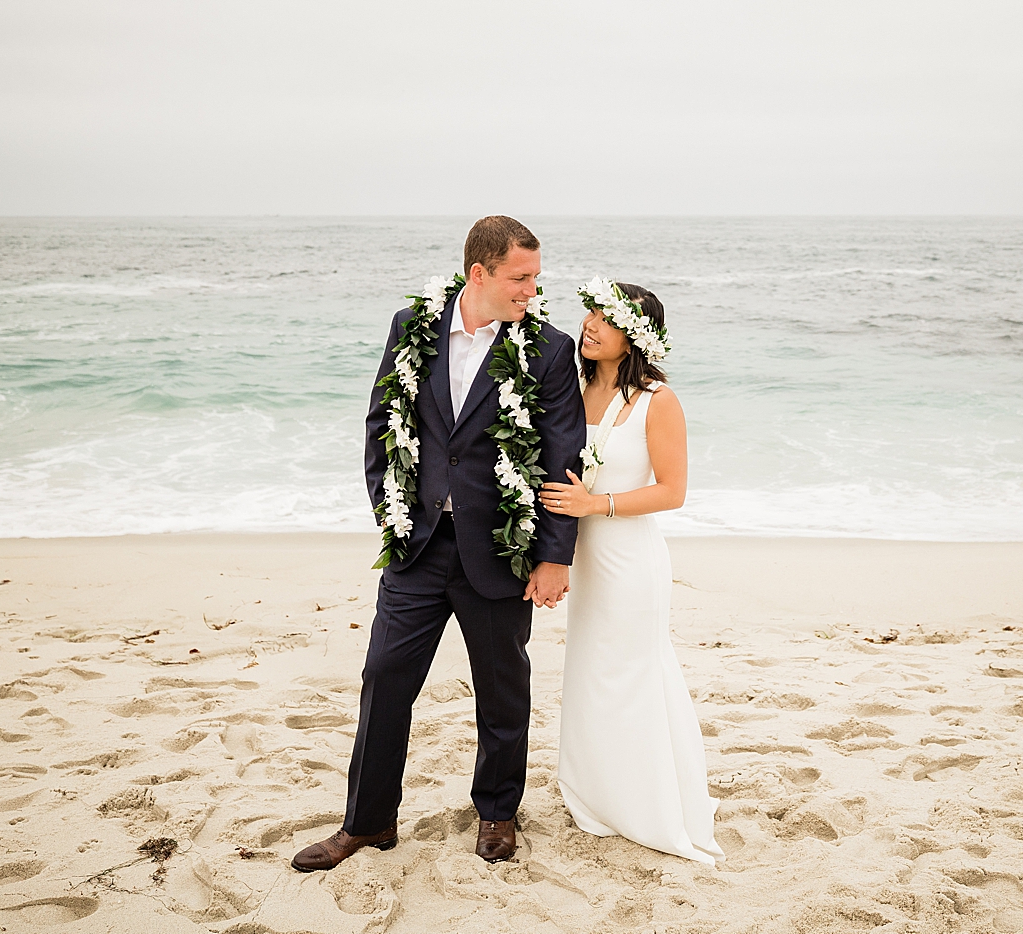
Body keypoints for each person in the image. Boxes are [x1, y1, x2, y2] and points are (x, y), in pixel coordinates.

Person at [291, 216, 585, 872]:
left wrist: (555, 554)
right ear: (478, 273)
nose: (532, 290)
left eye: (536, 277)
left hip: (500, 550)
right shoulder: (411, 327)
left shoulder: (550, 350)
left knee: (502, 690)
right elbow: (380, 422)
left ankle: (498, 813)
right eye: (520, 277)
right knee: (384, 680)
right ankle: (367, 824)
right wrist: (388, 512)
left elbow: (567, 455)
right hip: (418, 547)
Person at [538, 279, 723, 865]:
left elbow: (673, 491)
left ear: (635, 338)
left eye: (606, 319)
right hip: (585, 557)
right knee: (591, 671)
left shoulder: (656, 400)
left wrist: (597, 505)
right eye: (589, 312)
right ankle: (597, 791)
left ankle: (648, 801)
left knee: (632, 673)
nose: (590, 325)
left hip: (629, 559)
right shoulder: (573, 387)